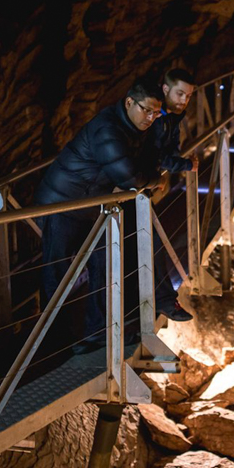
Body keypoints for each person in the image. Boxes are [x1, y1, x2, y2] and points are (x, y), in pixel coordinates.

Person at [34, 74, 173, 356]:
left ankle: (97, 332)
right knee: (57, 272)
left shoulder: (132, 128)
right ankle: (54, 343)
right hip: (61, 204)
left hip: (90, 204)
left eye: (156, 112)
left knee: (105, 263)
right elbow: (129, 175)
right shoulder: (108, 129)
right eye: (146, 110)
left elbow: (141, 162)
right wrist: (154, 178)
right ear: (129, 102)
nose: (150, 117)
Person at [140, 68, 199, 321]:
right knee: (150, 243)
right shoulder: (155, 117)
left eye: (188, 96)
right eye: (179, 94)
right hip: (126, 189)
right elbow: (153, 154)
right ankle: (162, 302)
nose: (184, 100)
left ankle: (156, 302)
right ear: (165, 90)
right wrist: (186, 165)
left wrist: (161, 174)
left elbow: (168, 151)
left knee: (148, 243)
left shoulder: (172, 116)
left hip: (143, 186)